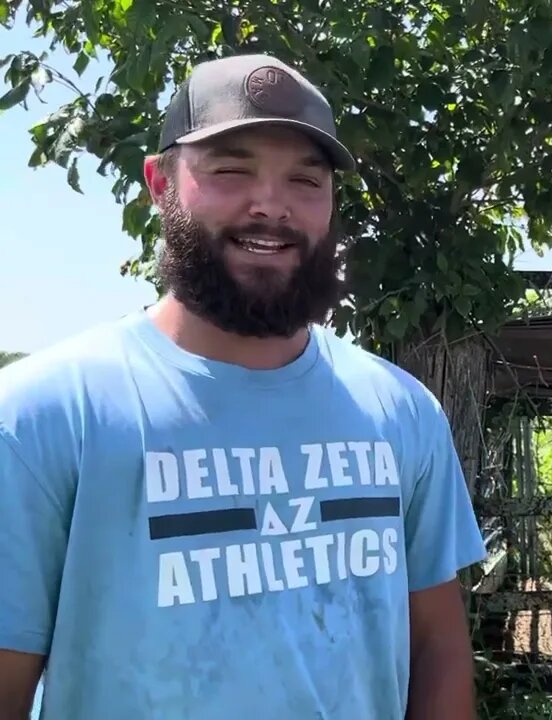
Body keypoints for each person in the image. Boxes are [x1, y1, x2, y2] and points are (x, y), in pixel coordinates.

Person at [0, 53, 487, 720]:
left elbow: (437, 646)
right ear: (160, 183)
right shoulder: (40, 418)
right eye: (231, 171)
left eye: (304, 181)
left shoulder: (401, 413)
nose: (271, 206)